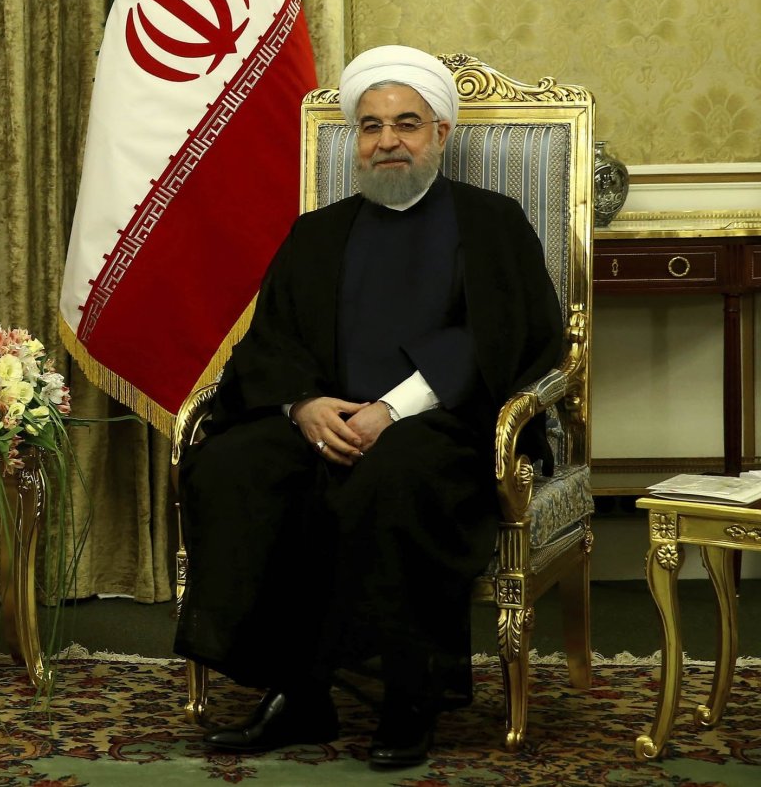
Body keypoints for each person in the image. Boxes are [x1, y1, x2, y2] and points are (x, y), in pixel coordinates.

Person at [173, 45, 564, 771]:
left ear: (441, 134)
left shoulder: (491, 222)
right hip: (324, 419)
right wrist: (303, 405)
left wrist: (390, 409)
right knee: (234, 465)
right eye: (372, 126)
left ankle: (408, 693)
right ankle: (296, 692)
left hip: (440, 424)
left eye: (407, 124)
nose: (388, 141)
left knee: (396, 479)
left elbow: (503, 339)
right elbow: (270, 343)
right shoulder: (318, 232)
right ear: (356, 139)